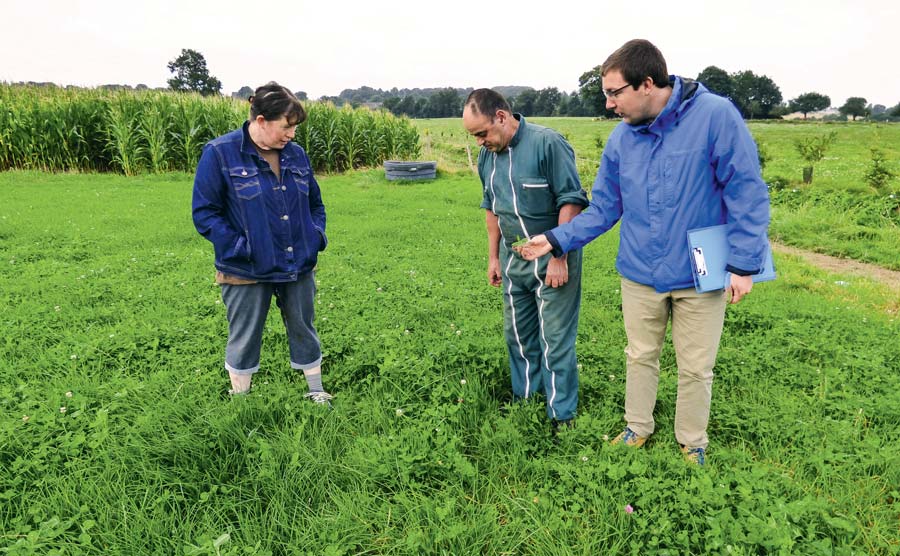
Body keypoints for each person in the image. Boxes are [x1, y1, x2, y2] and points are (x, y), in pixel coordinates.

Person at [518, 40, 770, 464]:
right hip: (639, 271)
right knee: (640, 355)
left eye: (615, 93)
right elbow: (604, 208)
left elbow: (746, 191)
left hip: (698, 273)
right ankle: (637, 427)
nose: (609, 104)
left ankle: (692, 441)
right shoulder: (621, 140)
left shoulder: (715, 117)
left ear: (648, 84)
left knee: (695, 365)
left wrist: (744, 264)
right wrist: (557, 239)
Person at [192, 82, 332, 403]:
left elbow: (315, 205)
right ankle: (242, 400)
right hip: (245, 269)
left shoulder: (296, 155)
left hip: (298, 262)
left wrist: (315, 237)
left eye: (294, 127)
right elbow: (206, 214)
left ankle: (316, 391)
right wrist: (243, 249)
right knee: (244, 335)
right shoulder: (219, 154)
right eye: (286, 126)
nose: (292, 134)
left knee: (304, 327)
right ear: (261, 121)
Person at [462, 88, 589, 428]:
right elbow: (492, 208)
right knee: (517, 333)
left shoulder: (548, 144)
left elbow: (571, 201)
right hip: (513, 257)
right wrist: (494, 258)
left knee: (555, 338)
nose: (479, 142)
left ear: (501, 117)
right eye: (474, 137)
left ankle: (561, 414)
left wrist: (560, 253)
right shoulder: (488, 157)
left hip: (552, 257)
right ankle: (527, 399)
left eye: (482, 133)